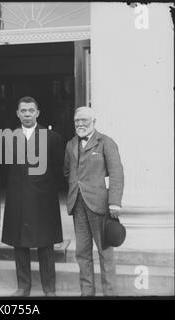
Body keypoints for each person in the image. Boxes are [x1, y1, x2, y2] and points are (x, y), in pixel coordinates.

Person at [2, 96, 64, 297]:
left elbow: (59, 169)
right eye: (23, 111)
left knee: (46, 244)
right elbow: (4, 169)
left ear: (37, 113)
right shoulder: (9, 138)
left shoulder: (52, 137)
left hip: (44, 199)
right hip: (17, 197)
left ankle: (49, 288)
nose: (27, 114)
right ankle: (23, 286)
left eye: (31, 110)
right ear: (17, 114)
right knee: (20, 243)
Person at [63, 106, 124, 296]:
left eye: (84, 120)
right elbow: (68, 172)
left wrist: (114, 202)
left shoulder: (106, 142)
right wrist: (76, 187)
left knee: (105, 253)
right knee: (82, 253)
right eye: (77, 121)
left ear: (94, 122)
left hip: (99, 205)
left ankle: (110, 293)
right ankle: (87, 292)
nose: (80, 124)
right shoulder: (71, 144)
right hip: (78, 205)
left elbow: (117, 174)